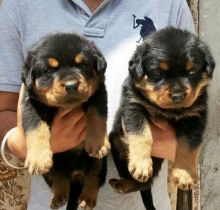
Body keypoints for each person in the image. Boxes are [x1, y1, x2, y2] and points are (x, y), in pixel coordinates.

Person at [0, 0, 194, 209]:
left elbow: (194, 105)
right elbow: (5, 107)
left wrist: (171, 145)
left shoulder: (169, 4)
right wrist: (19, 143)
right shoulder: (19, 5)